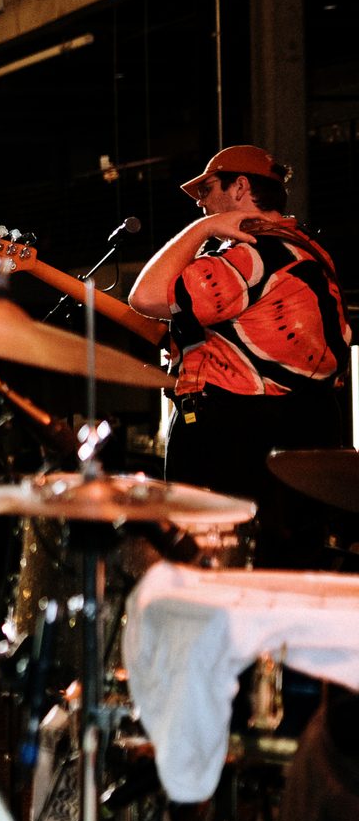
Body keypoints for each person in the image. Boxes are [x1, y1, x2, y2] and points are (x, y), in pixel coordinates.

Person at [127, 145, 350, 558]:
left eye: (208, 189)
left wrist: (203, 231)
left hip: (238, 438)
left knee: (212, 568)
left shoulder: (251, 256)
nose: (200, 202)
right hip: (310, 430)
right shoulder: (310, 252)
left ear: (241, 187)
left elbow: (146, 296)